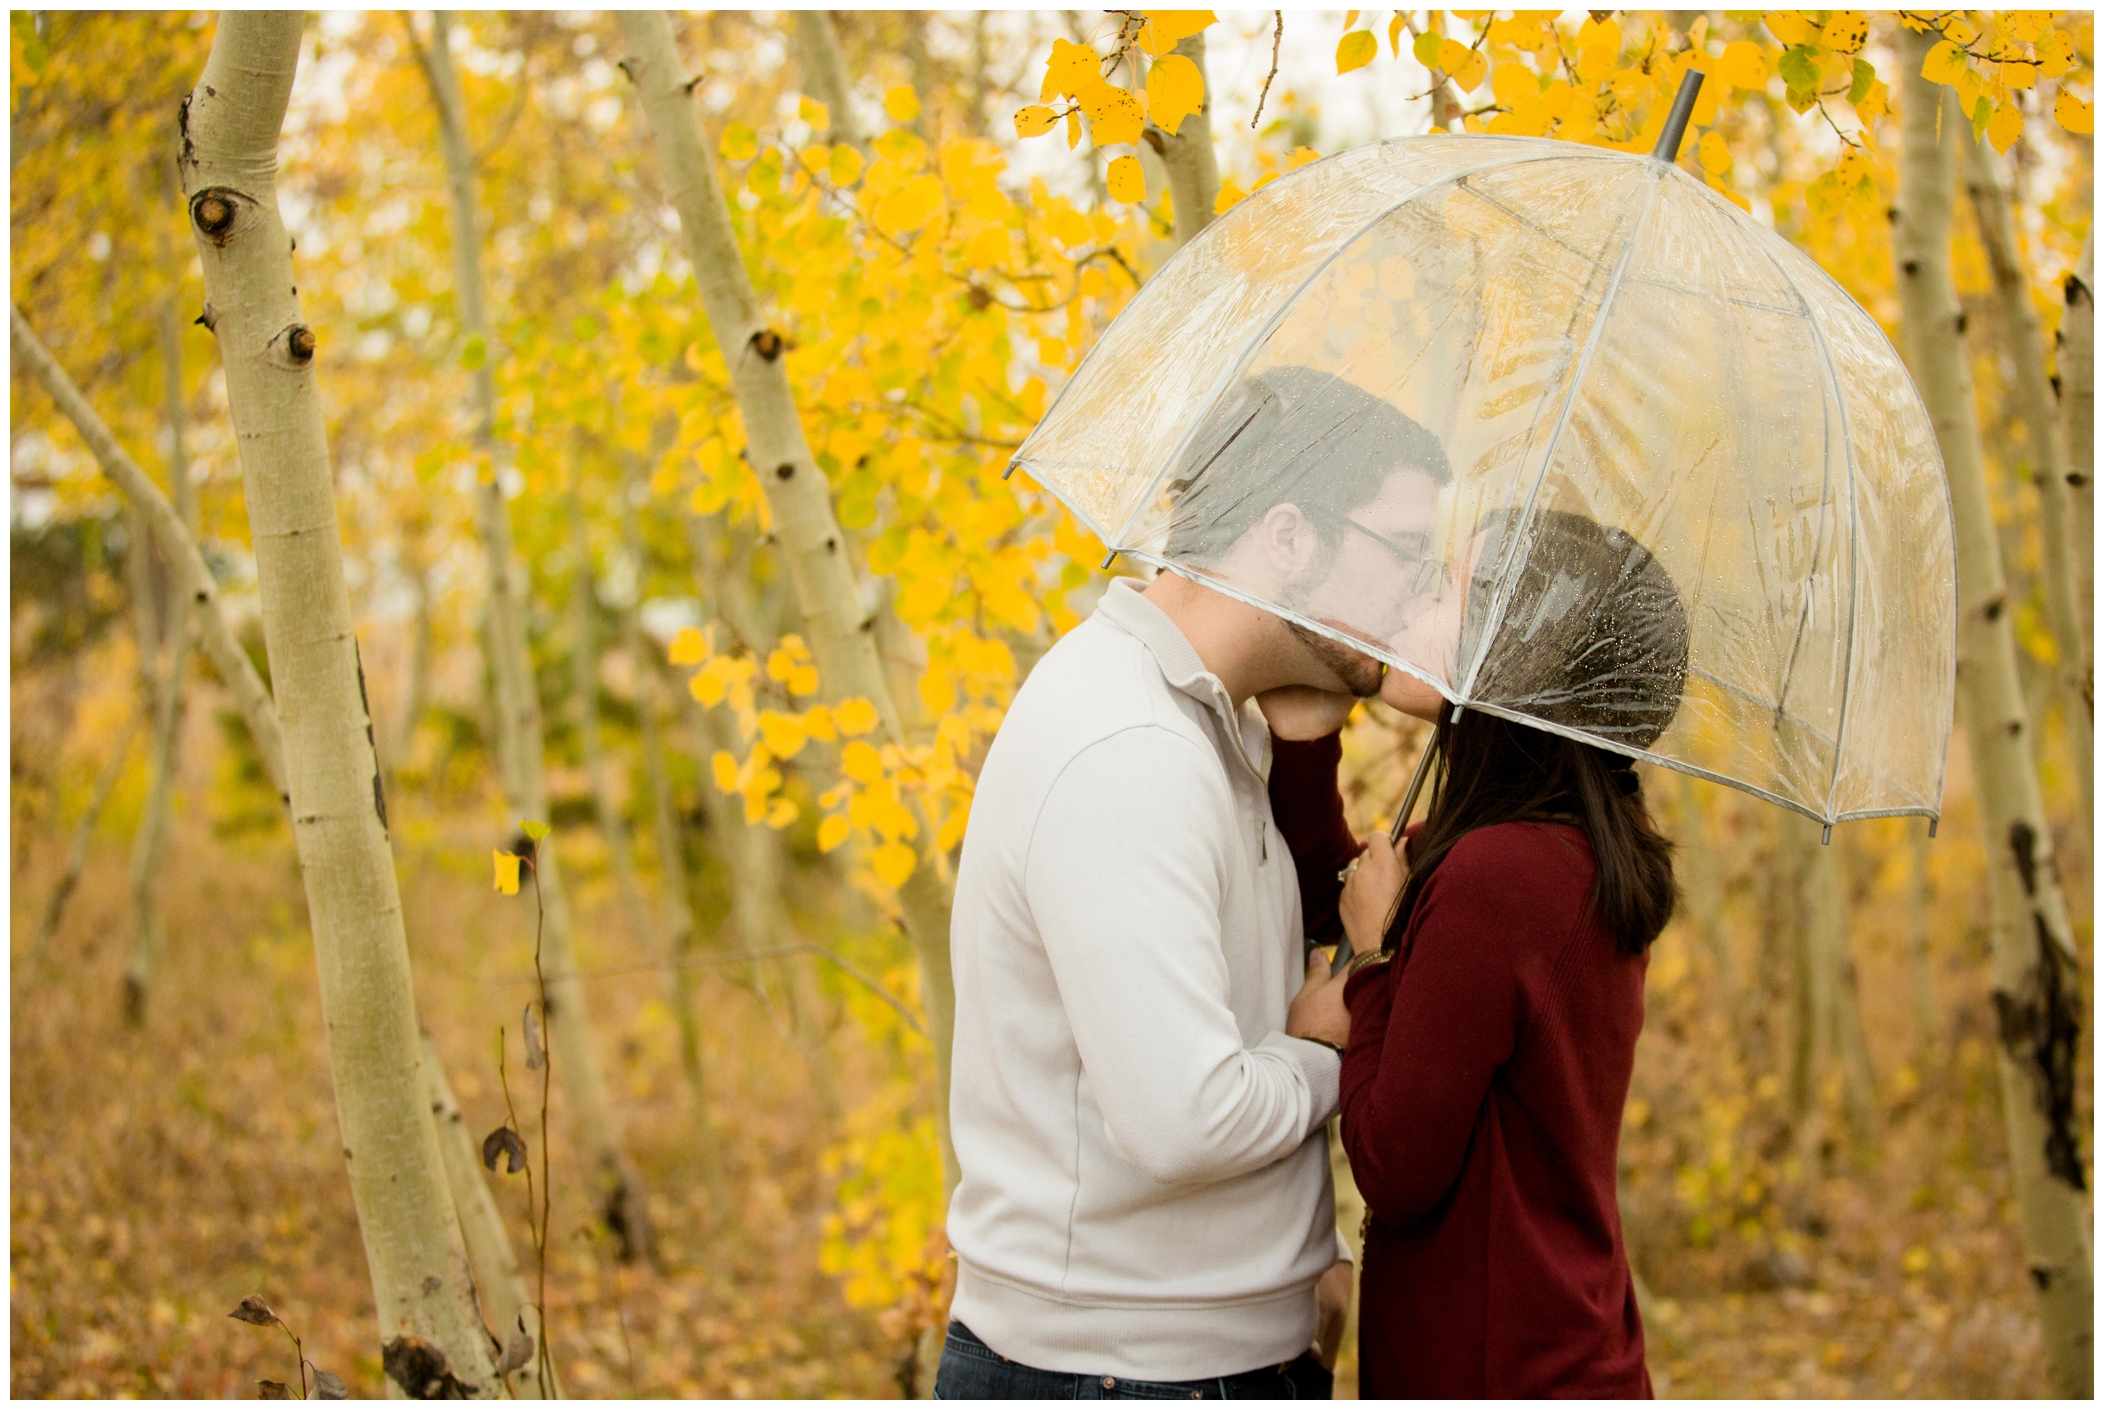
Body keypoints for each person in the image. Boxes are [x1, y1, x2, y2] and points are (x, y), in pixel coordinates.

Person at [934, 367, 1450, 1399]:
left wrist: (1290, 1271)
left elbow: (1235, 989)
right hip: (1124, 1377)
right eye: (1405, 553)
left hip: (1195, 1354)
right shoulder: (1129, 747)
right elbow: (1186, 1118)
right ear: (1289, 536)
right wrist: (1325, 1041)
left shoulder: (1204, 722)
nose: (1419, 595)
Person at [1270, 506, 1689, 1398]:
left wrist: (1370, 975)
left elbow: (1394, 1164)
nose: (1414, 597)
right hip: (1556, 1345)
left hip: (1497, 1368)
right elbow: (1347, 902)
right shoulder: (1551, 844)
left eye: (1447, 591)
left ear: (1518, 655)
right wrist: (1307, 740)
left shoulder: (1499, 876)